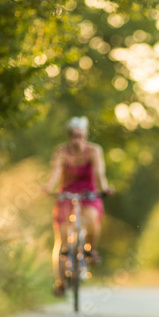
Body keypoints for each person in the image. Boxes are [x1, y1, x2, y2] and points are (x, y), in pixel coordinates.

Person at [42, 116, 113, 297]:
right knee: (62, 237)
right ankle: (60, 283)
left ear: (86, 136)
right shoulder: (61, 151)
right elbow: (55, 172)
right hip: (66, 194)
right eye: (74, 136)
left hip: (89, 194)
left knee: (92, 220)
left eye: (81, 136)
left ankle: (90, 248)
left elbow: (99, 173)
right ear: (69, 136)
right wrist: (48, 187)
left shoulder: (94, 151)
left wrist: (104, 188)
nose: (77, 140)